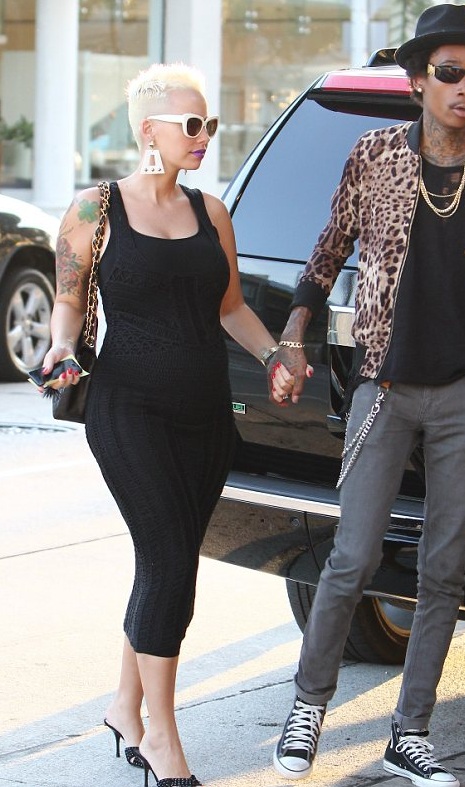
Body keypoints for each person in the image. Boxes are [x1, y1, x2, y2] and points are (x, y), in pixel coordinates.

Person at [269, 5, 465, 786]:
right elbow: (327, 250)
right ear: (417, 81)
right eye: (450, 73)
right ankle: (307, 706)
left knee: (444, 569)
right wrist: (292, 336)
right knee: (351, 556)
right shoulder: (372, 155)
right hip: (385, 388)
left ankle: (410, 730)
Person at [41, 63, 283, 787]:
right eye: (191, 124)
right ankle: (163, 741)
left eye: (210, 123)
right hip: (129, 412)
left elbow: (230, 306)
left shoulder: (212, 212)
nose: (204, 135)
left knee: (165, 564)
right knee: (171, 561)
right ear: (148, 130)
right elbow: (67, 298)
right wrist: (60, 347)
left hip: (205, 415)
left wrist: (275, 355)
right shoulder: (96, 209)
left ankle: (124, 706)